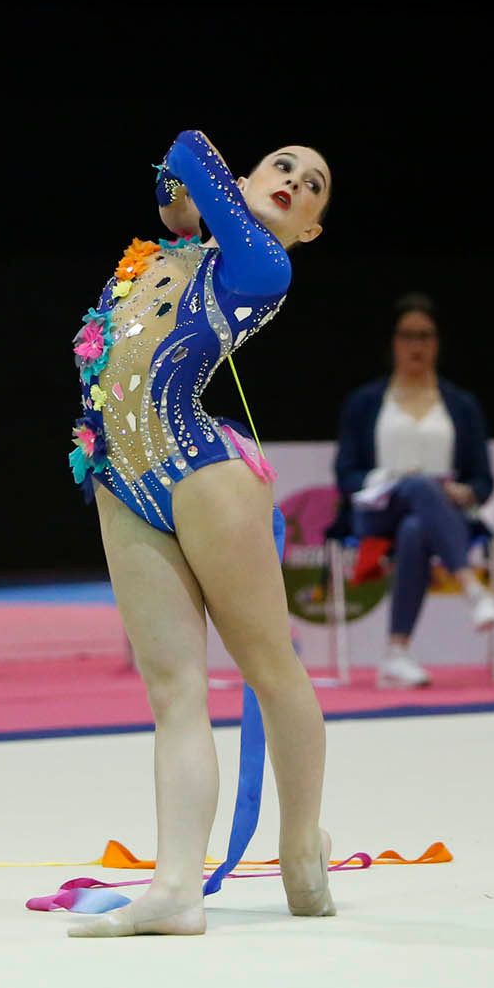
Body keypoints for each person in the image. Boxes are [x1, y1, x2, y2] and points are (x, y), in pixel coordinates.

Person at [65, 130, 334, 937]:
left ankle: (299, 847)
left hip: (200, 472)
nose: (294, 179)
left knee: (270, 667)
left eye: (312, 185)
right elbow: (176, 190)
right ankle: (177, 887)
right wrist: (181, 207)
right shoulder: (166, 256)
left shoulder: (265, 267)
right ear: (249, 177)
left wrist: (197, 187)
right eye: (282, 166)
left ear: (310, 227)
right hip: (118, 478)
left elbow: (185, 148)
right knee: (174, 691)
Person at [334, 293, 494, 689]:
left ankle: (396, 652)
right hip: (377, 512)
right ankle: (471, 587)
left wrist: (467, 492)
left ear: (437, 343)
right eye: (408, 336)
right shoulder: (365, 403)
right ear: (394, 342)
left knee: (415, 527)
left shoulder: (460, 405)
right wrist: (385, 479)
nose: (417, 345)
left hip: (442, 515)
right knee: (414, 484)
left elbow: (484, 480)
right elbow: (346, 474)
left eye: (425, 336)